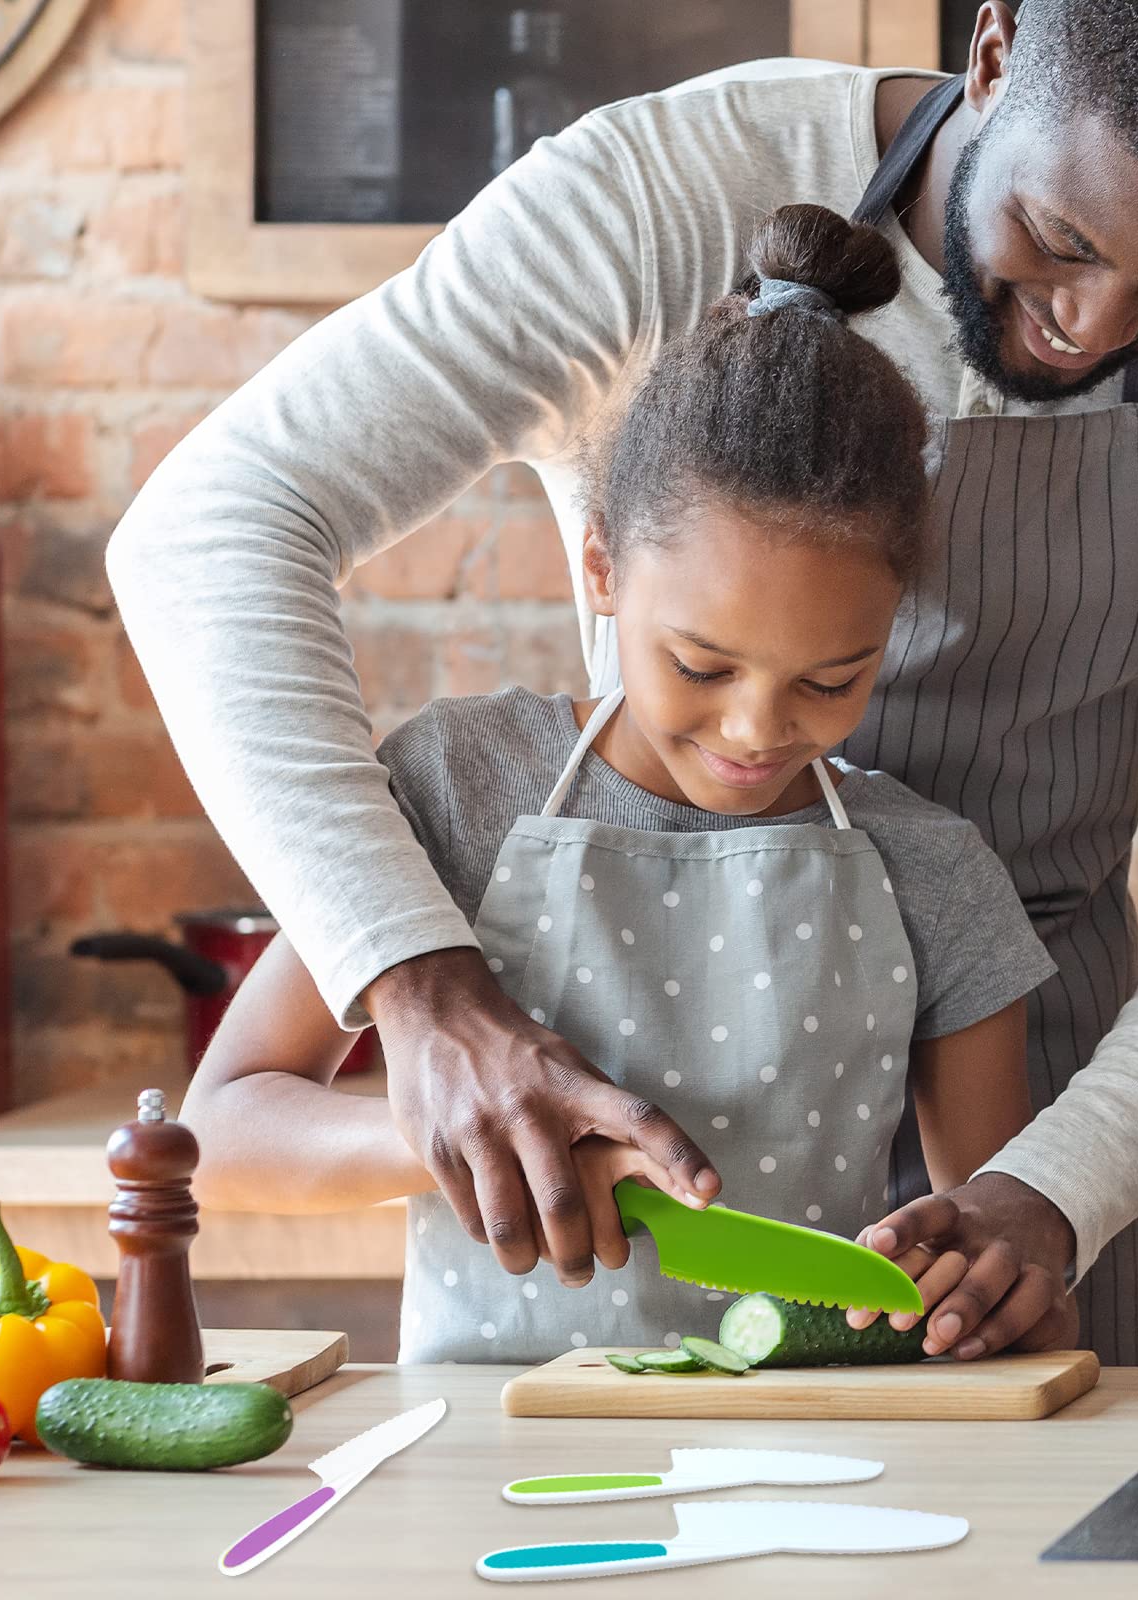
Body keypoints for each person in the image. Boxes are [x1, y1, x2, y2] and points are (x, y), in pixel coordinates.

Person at [110, 0, 1138, 1364]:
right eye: (1059, 240)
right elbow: (212, 526)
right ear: (992, 55)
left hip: (1051, 1140)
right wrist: (420, 987)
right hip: (631, 1113)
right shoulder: (655, 197)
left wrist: (1049, 1190)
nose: (1088, 330)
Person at [178, 205, 1065, 1364]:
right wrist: (482, 1138)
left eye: (832, 676)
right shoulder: (461, 785)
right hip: (485, 1459)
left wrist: (987, 1287)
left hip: (815, 1465)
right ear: (601, 565)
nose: (756, 728)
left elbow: (1007, 1262)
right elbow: (222, 1127)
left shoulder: (933, 866)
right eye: (699, 663)